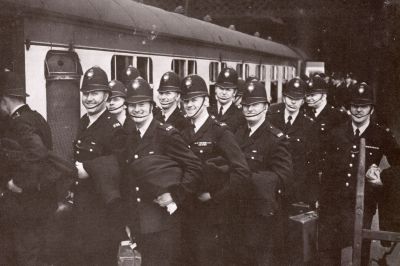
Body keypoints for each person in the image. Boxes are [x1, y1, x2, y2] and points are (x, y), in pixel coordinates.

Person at [119, 77, 202, 265]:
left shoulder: (166, 134)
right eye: (132, 105)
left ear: (151, 106)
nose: (137, 109)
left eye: (142, 104)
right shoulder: (130, 136)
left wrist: (175, 195)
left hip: (164, 225)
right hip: (141, 224)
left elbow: (194, 166)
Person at [318, 82, 400, 266]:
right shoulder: (335, 134)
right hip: (334, 204)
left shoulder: (381, 135)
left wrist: (381, 173)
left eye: (364, 106)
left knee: (359, 251)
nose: (358, 110)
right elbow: (326, 169)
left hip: (363, 205)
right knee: (329, 252)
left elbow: (398, 165)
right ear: (348, 108)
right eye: (355, 106)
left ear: (371, 108)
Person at [180, 74, 251, 265]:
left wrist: (214, 195)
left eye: (194, 99)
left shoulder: (220, 131)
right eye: (185, 100)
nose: (189, 104)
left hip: (214, 216)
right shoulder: (185, 132)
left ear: (205, 100)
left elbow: (242, 172)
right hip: (189, 213)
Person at [71, 66, 125, 265]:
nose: (89, 99)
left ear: (106, 96)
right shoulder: (84, 121)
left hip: (103, 214)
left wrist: (89, 171)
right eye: (86, 94)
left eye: (94, 93)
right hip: (82, 209)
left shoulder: (113, 128)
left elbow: (119, 168)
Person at [0, 70, 56, 265]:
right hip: (42, 201)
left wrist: (18, 182)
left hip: (26, 204)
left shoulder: (19, 123)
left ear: (5, 100)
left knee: (25, 254)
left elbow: (37, 153)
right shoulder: (37, 117)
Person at [235, 80, 293, 265]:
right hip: (237, 214)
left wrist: (249, 179)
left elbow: (284, 177)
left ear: (266, 107)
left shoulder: (276, 139)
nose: (249, 109)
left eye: (254, 105)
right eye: (245, 105)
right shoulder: (237, 134)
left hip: (262, 218)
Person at [268, 77, 319, 206]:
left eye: (297, 99)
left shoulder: (309, 125)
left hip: (296, 188)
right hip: (272, 184)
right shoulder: (272, 118)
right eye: (290, 98)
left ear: (303, 101)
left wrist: (311, 196)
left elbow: (312, 164)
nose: (293, 102)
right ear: (284, 97)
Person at [304, 76, 348, 171]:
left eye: (313, 95)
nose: (309, 98)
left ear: (324, 96)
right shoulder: (305, 114)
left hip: (328, 170)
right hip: (309, 170)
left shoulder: (337, 116)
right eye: (307, 95)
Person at [208, 67, 245, 132]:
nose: (224, 93)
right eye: (221, 88)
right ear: (216, 89)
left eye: (228, 89)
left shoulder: (241, 117)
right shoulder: (207, 112)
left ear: (234, 92)